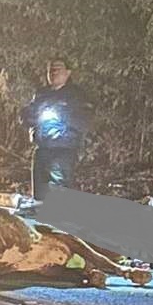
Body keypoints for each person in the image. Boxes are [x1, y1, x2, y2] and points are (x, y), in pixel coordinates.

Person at [21, 57, 92, 201]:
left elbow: (84, 120)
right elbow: (26, 115)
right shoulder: (41, 94)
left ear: (68, 72)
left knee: (60, 188)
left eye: (58, 69)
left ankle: (61, 220)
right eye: (50, 70)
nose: (53, 73)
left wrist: (61, 117)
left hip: (64, 148)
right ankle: (39, 219)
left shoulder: (76, 95)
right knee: (39, 190)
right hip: (42, 147)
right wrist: (33, 118)